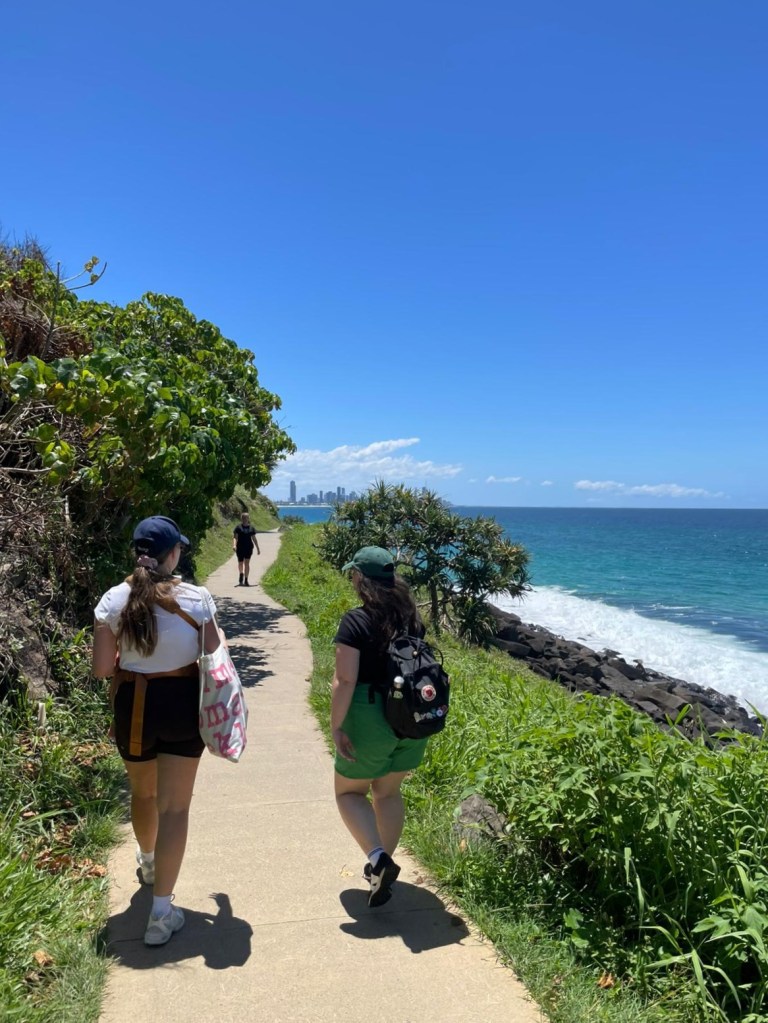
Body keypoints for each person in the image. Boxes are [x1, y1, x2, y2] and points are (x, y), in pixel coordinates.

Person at [91, 515, 224, 946]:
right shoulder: (197, 599)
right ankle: (162, 911)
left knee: (143, 794)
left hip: (134, 707)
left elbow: (100, 669)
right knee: (175, 809)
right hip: (183, 706)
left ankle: (148, 863)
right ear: (172, 555)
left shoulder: (113, 600)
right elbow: (216, 658)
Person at [331, 546, 429, 907]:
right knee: (387, 793)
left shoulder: (355, 621)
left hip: (369, 717)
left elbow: (344, 680)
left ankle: (378, 858)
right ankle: (379, 870)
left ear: (360, 578)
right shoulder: (412, 619)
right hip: (410, 721)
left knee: (349, 794)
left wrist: (336, 726)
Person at [232, 512, 260, 586]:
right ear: (241, 519)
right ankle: (241, 574)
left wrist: (257, 548)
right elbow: (235, 537)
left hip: (248, 547)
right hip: (240, 547)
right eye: (243, 518)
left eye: (246, 518)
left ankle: (246, 580)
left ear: (248, 519)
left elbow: (254, 538)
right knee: (240, 563)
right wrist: (234, 545)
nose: (245, 519)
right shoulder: (238, 527)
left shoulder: (251, 528)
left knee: (247, 563)